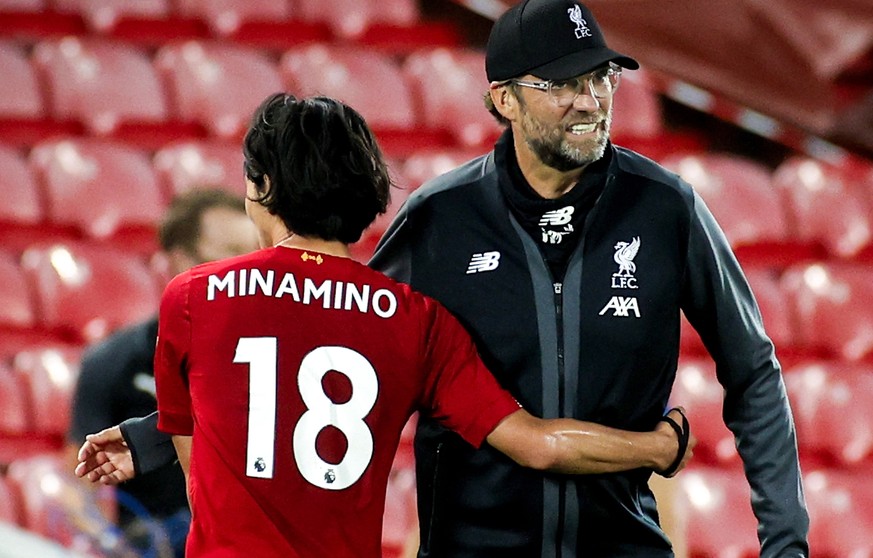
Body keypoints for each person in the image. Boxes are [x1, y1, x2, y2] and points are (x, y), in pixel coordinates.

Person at [79, 92, 695, 558]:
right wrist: (658, 446)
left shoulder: (192, 298)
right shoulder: (417, 320)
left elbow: (204, 482)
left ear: (261, 187)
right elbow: (537, 444)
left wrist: (152, 439)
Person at [367, 0, 810, 556]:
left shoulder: (666, 208)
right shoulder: (441, 218)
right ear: (504, 98)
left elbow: (753, 373)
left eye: (602, 77)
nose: (591, 101)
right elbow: (358, 365)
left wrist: (786, 544)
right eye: (562, 84)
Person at [66, 188, 258, 557]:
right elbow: (79, 488)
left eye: (254, 254)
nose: (248, 269)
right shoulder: (114, 361)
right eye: (234, 252)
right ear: (181, 260)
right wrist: (110, 543)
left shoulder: (271, 360)